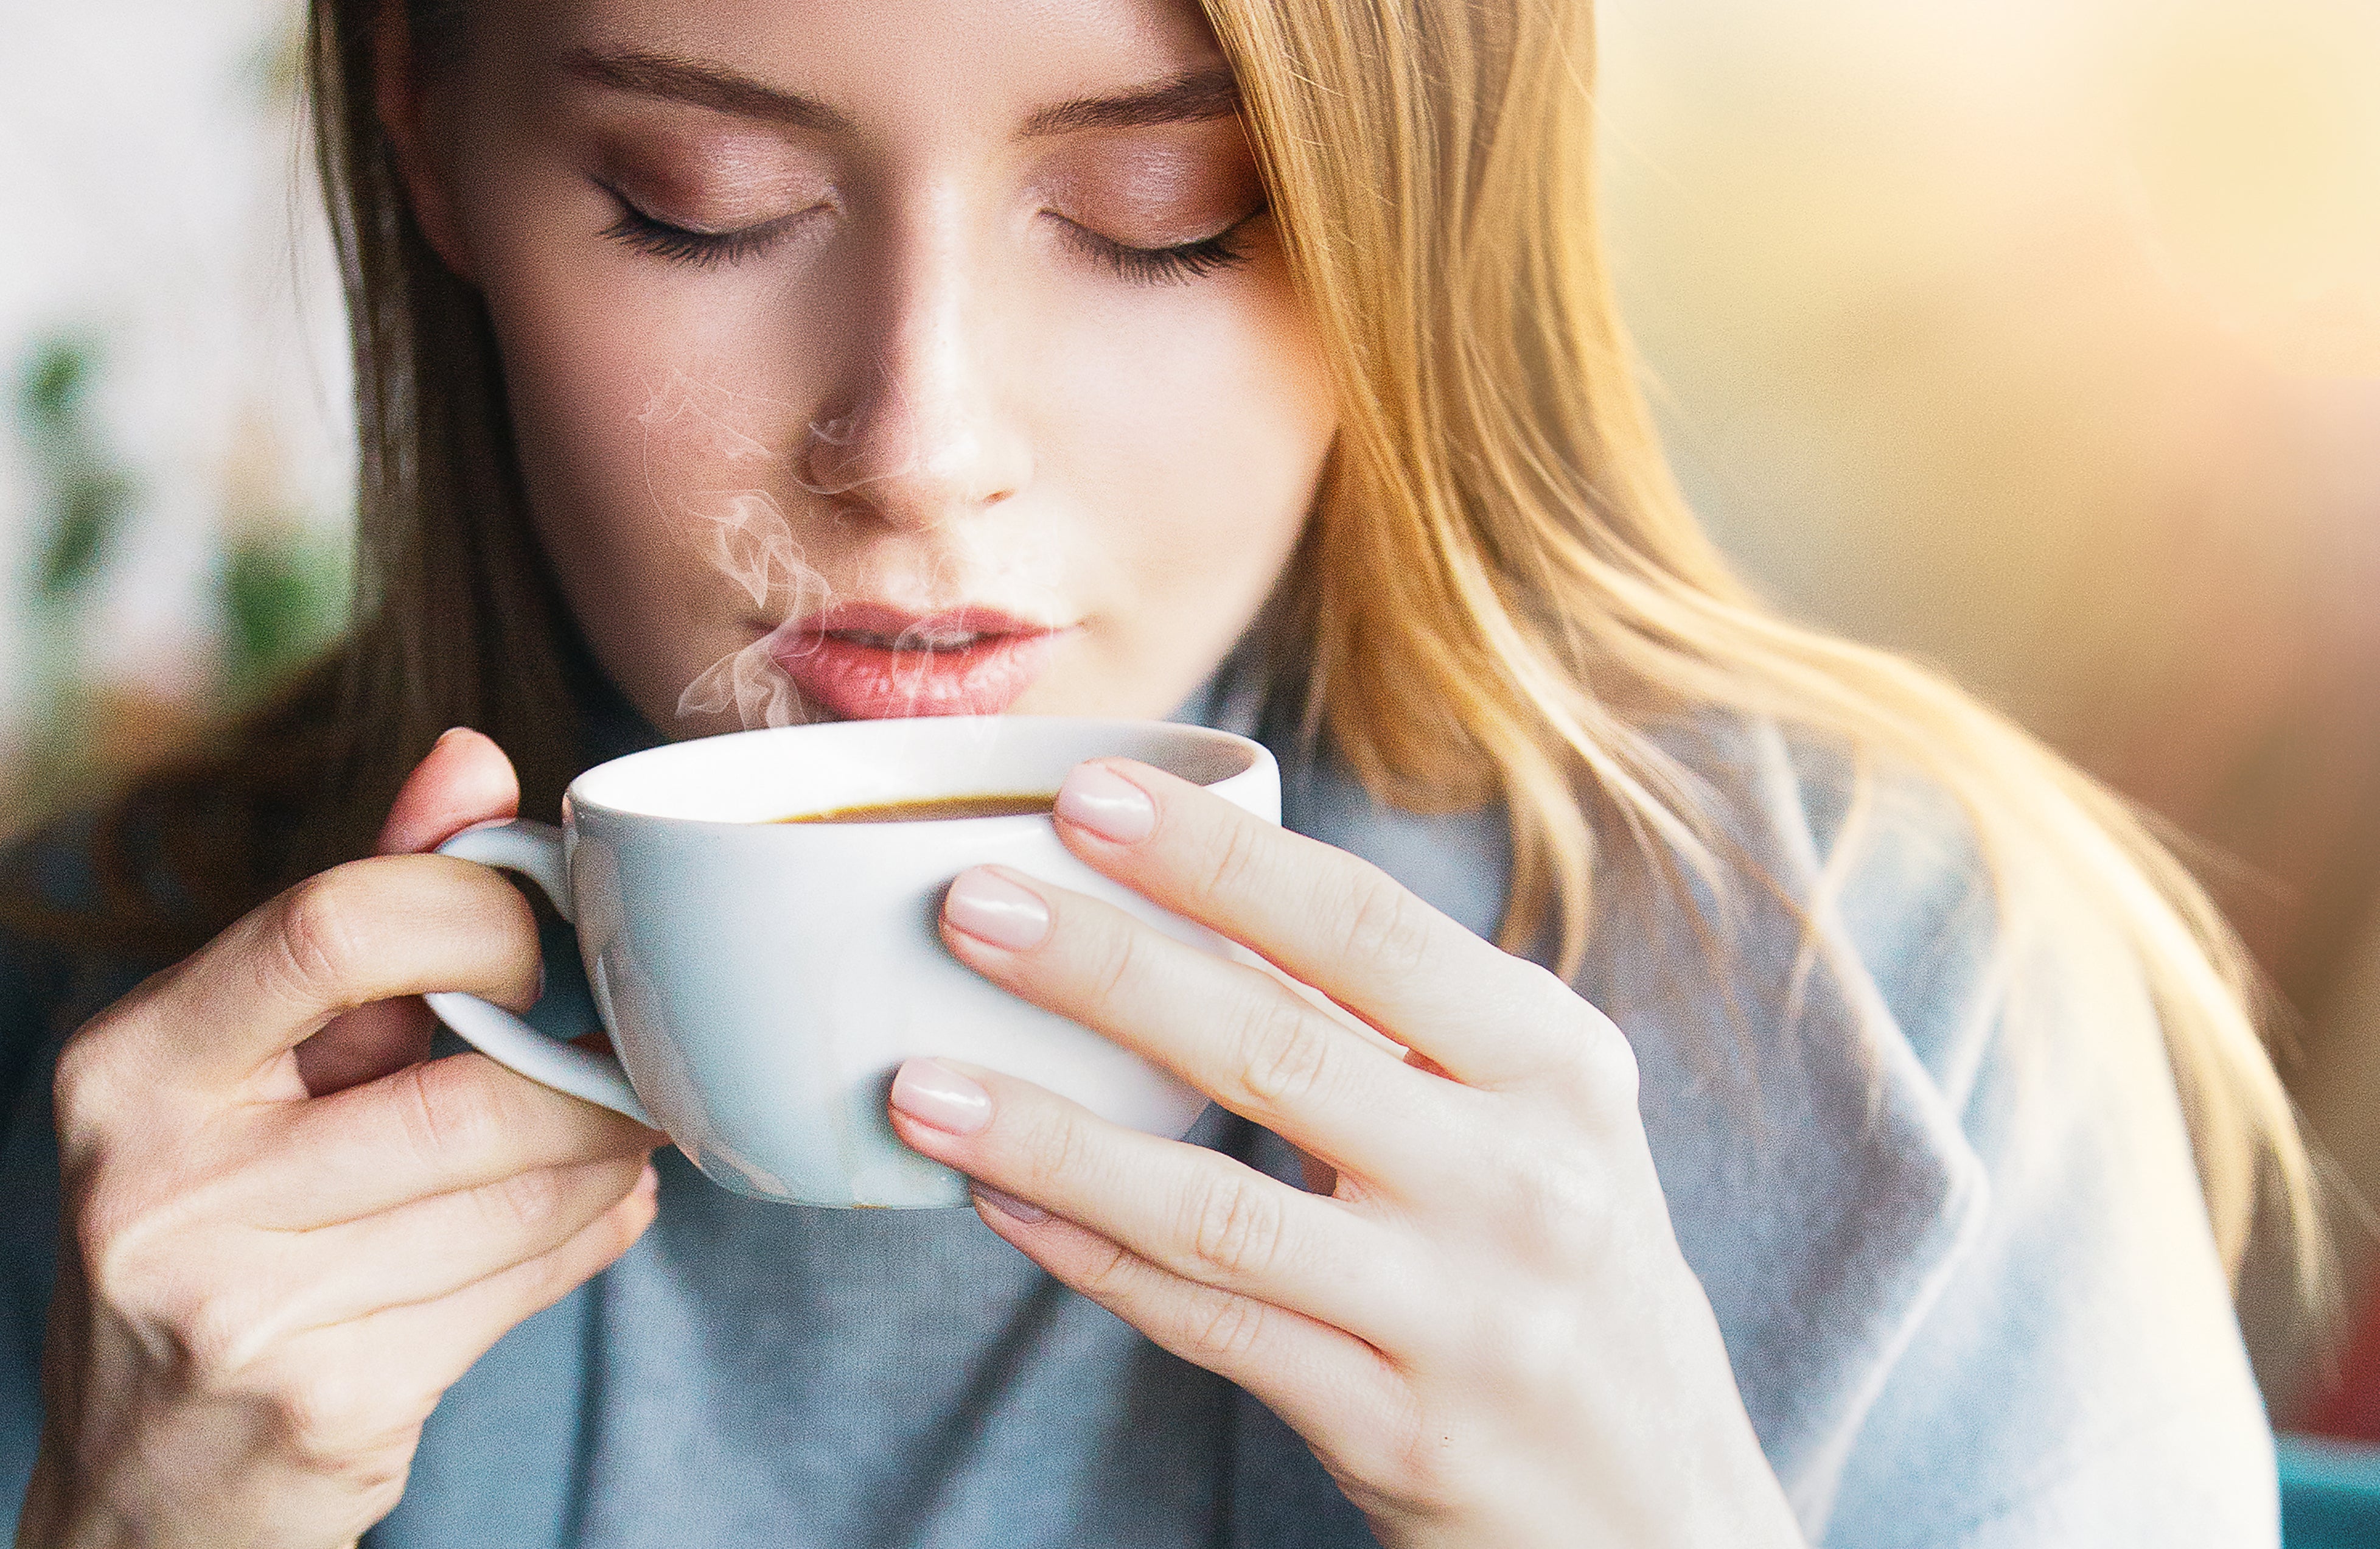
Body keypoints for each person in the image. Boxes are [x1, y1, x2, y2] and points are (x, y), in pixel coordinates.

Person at [0, 0, 2312, 1544]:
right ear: (422, 131)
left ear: (1412, 212)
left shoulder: (1902, 998)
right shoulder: (98, 1049)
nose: (923, 447)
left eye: (1169, 215)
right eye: (701, 196)